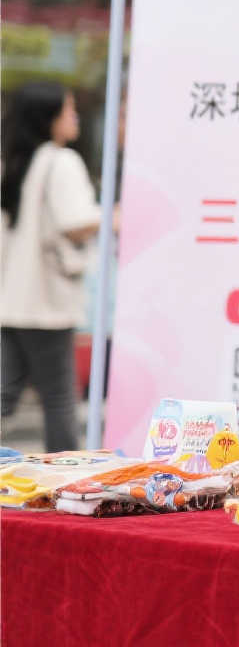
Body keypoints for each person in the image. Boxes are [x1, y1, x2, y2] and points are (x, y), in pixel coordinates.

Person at [2, 80, 101, 453]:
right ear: (48, 118)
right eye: (68, 109)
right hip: (46, 300)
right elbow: (75, 221)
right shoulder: (61, 161)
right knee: (59, 398)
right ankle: (66, 476)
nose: (75, 117)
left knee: (6, 391)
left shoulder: (13, 162)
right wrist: (110, 216)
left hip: (12, 299)